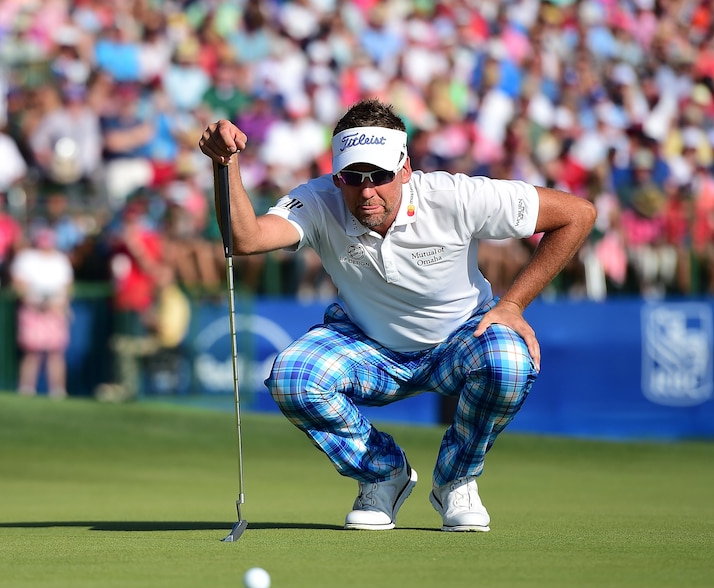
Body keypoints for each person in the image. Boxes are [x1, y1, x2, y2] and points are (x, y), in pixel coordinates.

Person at [198, 99, 596, 532]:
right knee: (295, 376)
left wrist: (513, 304)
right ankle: (383, 474)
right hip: (367, 344)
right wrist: (227, 164)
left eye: (380, 176)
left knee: (509, 361)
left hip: (460, 340)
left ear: (405, 169)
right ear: (337, 177)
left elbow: (577, 214)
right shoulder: (317, 200)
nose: (366, 191)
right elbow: (245, 239)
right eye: (352, 177)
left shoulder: (455, 195)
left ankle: (455, 480)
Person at [10, 228, 74, 398]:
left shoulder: (60, 260)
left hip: (55, 310)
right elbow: (19, 284)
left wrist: (57, 304)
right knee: (32, 353)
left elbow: (68, 285)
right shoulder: (26, 258)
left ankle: (58, 391)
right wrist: (36, 300)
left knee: (56, 353)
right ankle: (26, 389)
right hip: (33, 309)